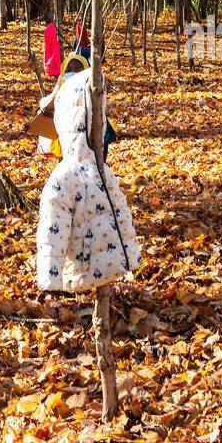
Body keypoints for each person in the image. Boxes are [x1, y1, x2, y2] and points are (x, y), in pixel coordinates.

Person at [34, 59, 140, 293]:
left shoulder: (102, 169)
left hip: (110, 265)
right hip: (82, 270)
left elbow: (121, 213)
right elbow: (53, 231)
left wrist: (132, 257)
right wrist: (50, 281)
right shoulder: (64, 178)